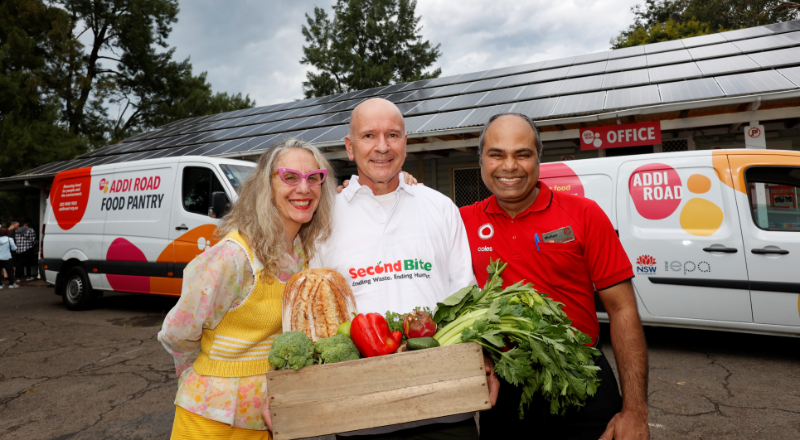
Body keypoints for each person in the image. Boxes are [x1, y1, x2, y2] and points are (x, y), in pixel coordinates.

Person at [311, 98, 498, 439]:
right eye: (369, 136)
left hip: (446, 409)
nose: (382, 147)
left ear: (406, 143)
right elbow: (316, 316)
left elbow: (465, 294)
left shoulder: (440, 207)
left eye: (393, 135)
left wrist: (483, 358)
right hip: (360, 417)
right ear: (350, 148)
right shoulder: (322, 220)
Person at [460, 113, 649, 440]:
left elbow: (622, 310)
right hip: (505, 389)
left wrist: (635, 411)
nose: (509, 166)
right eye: (496, 154)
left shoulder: (585, 214)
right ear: (481, 161)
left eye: (522, 154)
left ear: (538, 158)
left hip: (583, 380)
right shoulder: (459, 222)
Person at [158, 138, 337, 439]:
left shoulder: (300, 253)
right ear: (265, 187)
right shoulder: (233, 256)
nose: (304, 189)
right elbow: (178, 331)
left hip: (266, 417)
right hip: (211, 420)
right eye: (290, 177)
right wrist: (203, 376)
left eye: (313, 178)